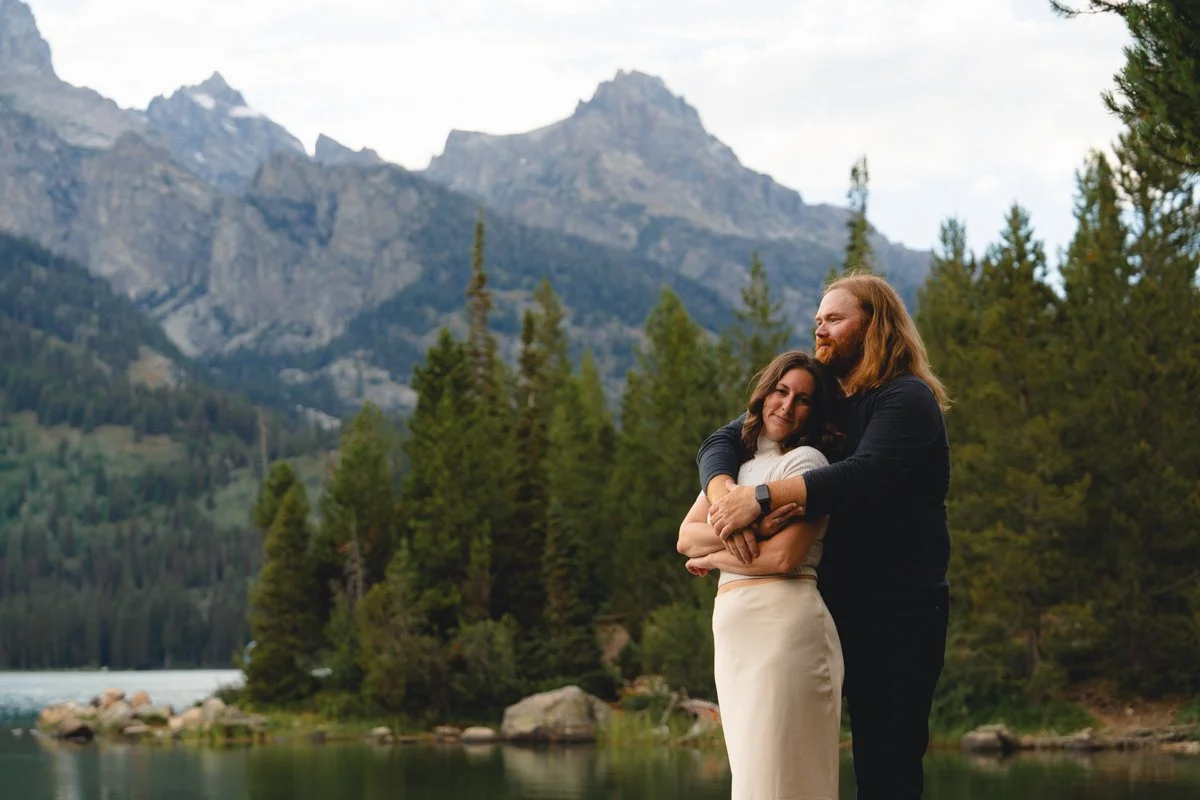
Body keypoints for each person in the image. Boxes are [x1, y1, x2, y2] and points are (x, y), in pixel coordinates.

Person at [698, 274, 951, 800]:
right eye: (818, 320)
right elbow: (726, 436)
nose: (821, 329)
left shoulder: (906, 398)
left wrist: (763, 498)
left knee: (888, 762)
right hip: (829, 602)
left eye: (834, 319)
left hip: (898, 611)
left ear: (874, 325)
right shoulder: (829, 399)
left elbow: (864, 472)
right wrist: (726, 493)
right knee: (797, 755)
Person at [678, 350, 846, 800]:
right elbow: (685, 538)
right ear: (763, 392)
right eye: (781, 391)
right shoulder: (732, 472)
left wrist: (713, 559)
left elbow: (781, 559)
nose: (787, 406)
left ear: (815, 411)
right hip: (736, 639)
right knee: (752, 781)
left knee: (779, 783)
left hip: (785, 631)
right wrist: (752, 526)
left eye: (803, 400)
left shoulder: (808, 464)